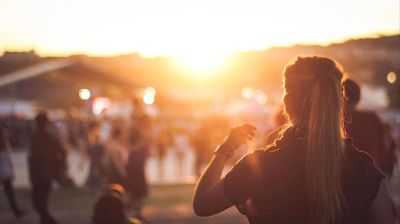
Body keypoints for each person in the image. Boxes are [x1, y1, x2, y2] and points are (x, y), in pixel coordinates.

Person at [193, 57, 395, 223]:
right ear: (337, 103)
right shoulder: (363, 169)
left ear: (287, 104)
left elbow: (203, 204)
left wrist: (226, 147)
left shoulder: (261, 166)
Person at [343, 79, 397, 176]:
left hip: (344, 177)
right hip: (371, 176)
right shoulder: (372, 118)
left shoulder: (335, 123)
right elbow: (386, 144)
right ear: (358, 97)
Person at [29, 112, 67, 224]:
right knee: (42, 201)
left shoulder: (36, 137)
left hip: (39, 174)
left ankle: (49, 220)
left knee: (37, 202)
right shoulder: (51, 138)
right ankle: (45, 220)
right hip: (48, 173)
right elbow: (62, 152)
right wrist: (59, 166)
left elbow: (33, 158)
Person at [126, 115, 151, 220]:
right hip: (134, 165)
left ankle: (138, 212)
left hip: (139, 165)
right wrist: (142, 142)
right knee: (136, 189)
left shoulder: (143, 133)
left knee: (140, 189)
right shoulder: (134, 132)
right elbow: (129, 147)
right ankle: (134, 212)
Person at [0, 126, 25, 218]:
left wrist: (11, 170)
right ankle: (16, 211)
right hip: (5, 172)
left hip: (5, 172)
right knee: (10, 194)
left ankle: (17, 211)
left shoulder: (5, 146)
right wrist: (11, 171)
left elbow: (8, 160)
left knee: (10, 194)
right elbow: (8, 160)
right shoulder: (4, 146)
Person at [85, 123, 107, 198]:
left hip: (95, 164)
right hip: (98, 164)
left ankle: (94, 194)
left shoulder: (94, 146)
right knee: (97, 179)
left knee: (94, 179)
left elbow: (87, 154)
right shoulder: (99, 146)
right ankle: (96, 193)